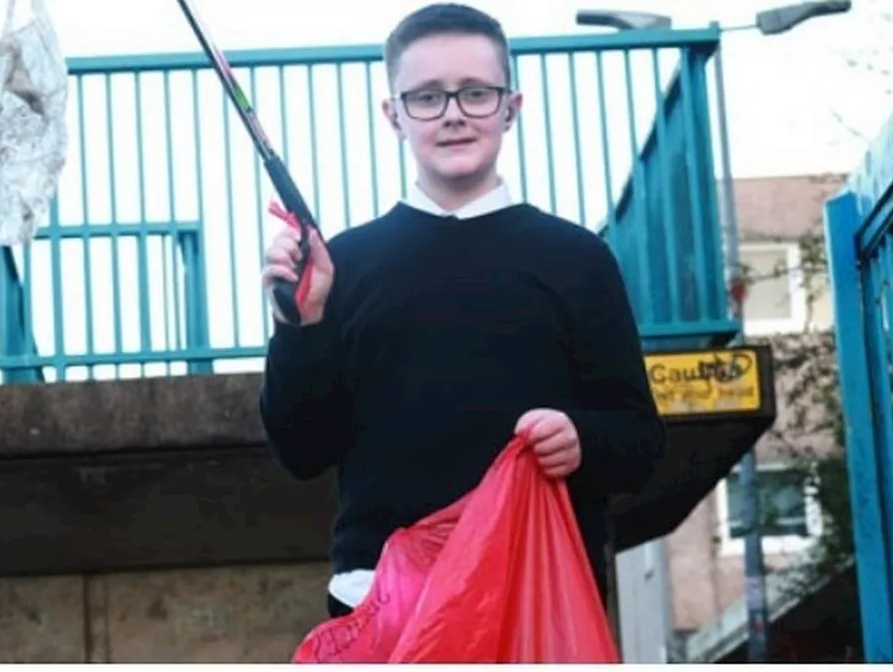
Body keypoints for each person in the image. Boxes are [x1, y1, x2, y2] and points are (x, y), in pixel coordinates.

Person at [258, 2, 665, 619]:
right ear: (394, 115)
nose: (452, 115)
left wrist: (583, 439)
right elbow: (302, 450)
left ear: (512, 107)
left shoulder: (578, 258)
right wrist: (300, 327)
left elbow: (640, 441)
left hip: (540, 600)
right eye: (426, 97)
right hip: (382, 603)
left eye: (475, 92)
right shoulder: (343, 266)